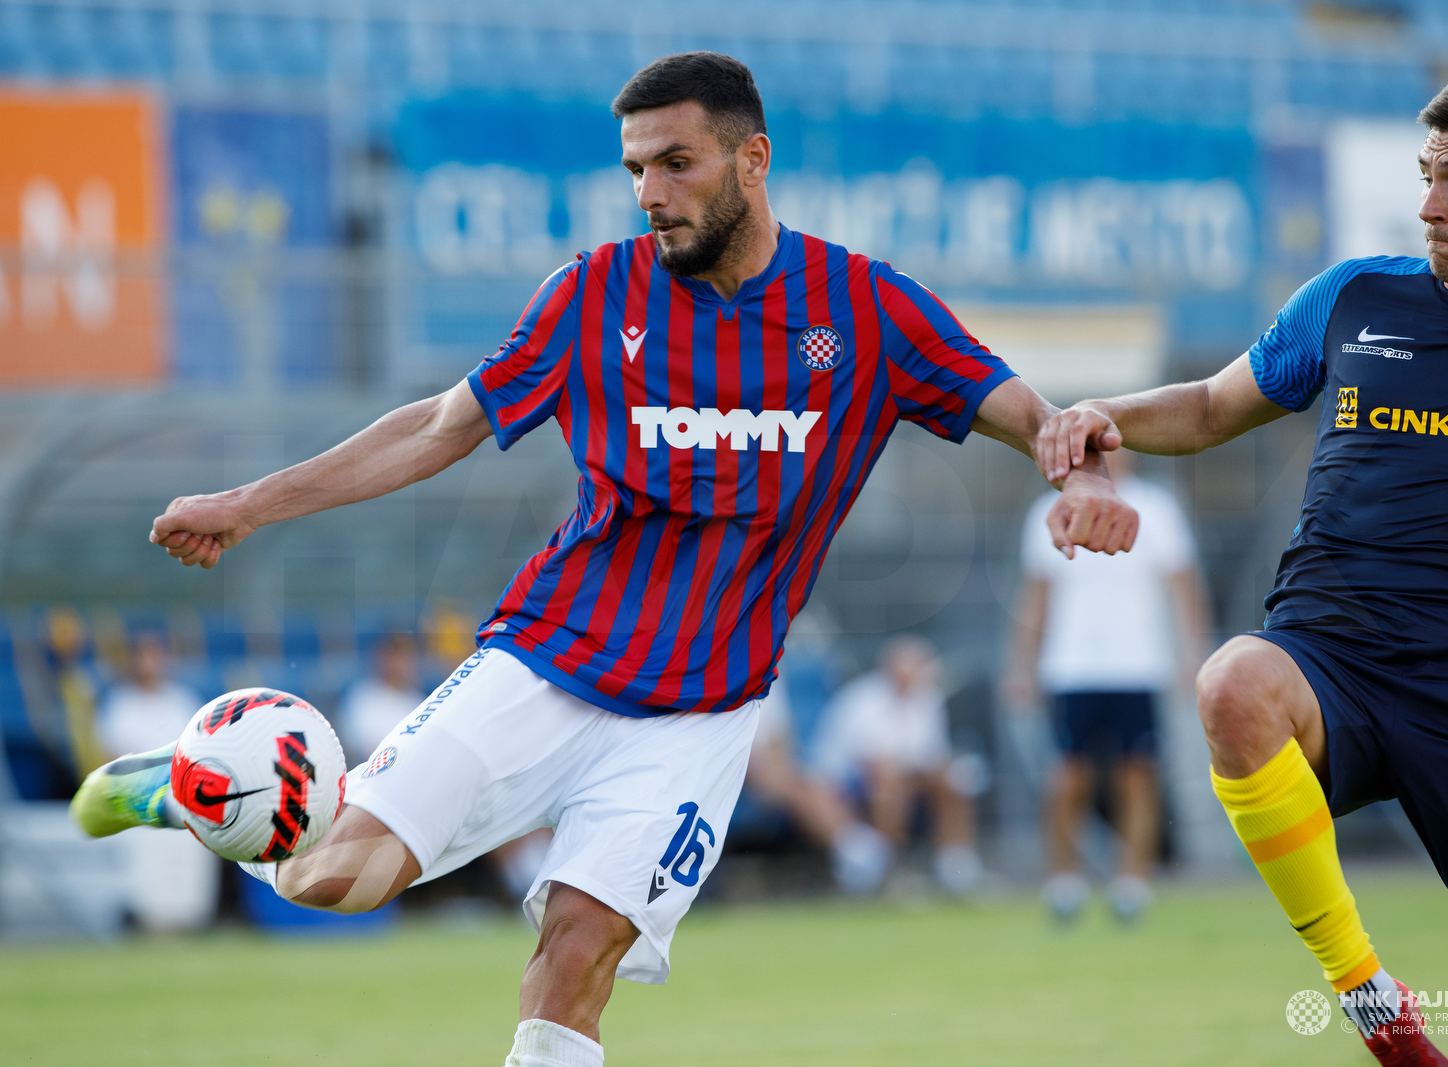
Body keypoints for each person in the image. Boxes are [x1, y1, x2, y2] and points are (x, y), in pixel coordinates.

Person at [68, 52, 1135, 1066]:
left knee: (577, 951)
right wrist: (247, 504)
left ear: (750, 161)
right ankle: (187, 786)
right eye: (634, 169)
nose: (649, 192)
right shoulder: (591, 296)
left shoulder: (866, 307)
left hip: (700, 715)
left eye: (676, 163)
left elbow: (1029, 414)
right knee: (331, 878)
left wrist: (1080, 475)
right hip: (547, 660)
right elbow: (436, 426)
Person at [1042, 69, 1448, 1066]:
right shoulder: (1353, 296)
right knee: (1232, 682)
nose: (1429, 203)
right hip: (1326, 652)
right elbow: (1213, 407)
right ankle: (1374, 1006)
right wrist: (1103, 415)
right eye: (1425, 176)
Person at [1008, 448, 1208, 923]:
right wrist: (1022, 665)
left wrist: (1192, 656)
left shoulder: (1157, 508)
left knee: (1137, 774)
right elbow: (1037, 595)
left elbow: (1184, 586)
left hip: (1139, 664)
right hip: (1070, 666)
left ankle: (1131, 884)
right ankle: (1064, 882)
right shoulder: (1049, 510)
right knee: (1067, 776)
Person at [814, 636, 982, 895]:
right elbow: (871, 764)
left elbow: (931, 757)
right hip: (844, 781)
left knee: (954, 781)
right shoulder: (862, 699)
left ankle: (956, 870)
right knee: (889, 788)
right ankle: (889, 873)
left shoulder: (929, 698)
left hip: (904, 776)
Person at [97, 633, 218, 931]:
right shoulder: (121, 704)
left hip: (183, 795)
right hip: (141, 797)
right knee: (149, 865)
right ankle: (148, 921)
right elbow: (114, 755)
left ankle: (190, 919)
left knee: (188, 863)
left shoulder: (182, 699)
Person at [741, 677, 892, 895]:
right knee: (798, 784)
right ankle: (859, 853)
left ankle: (855, 851)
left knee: (812, 784)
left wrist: (786, 769)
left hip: (771, 765)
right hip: (739, 765)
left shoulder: (770, 676)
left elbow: (779, 739)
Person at [341, 633, 424, 763]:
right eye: (395, 657)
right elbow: (359, 745)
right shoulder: (363, 695)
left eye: (406, 657)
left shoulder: (417, 700)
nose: (401, 664)